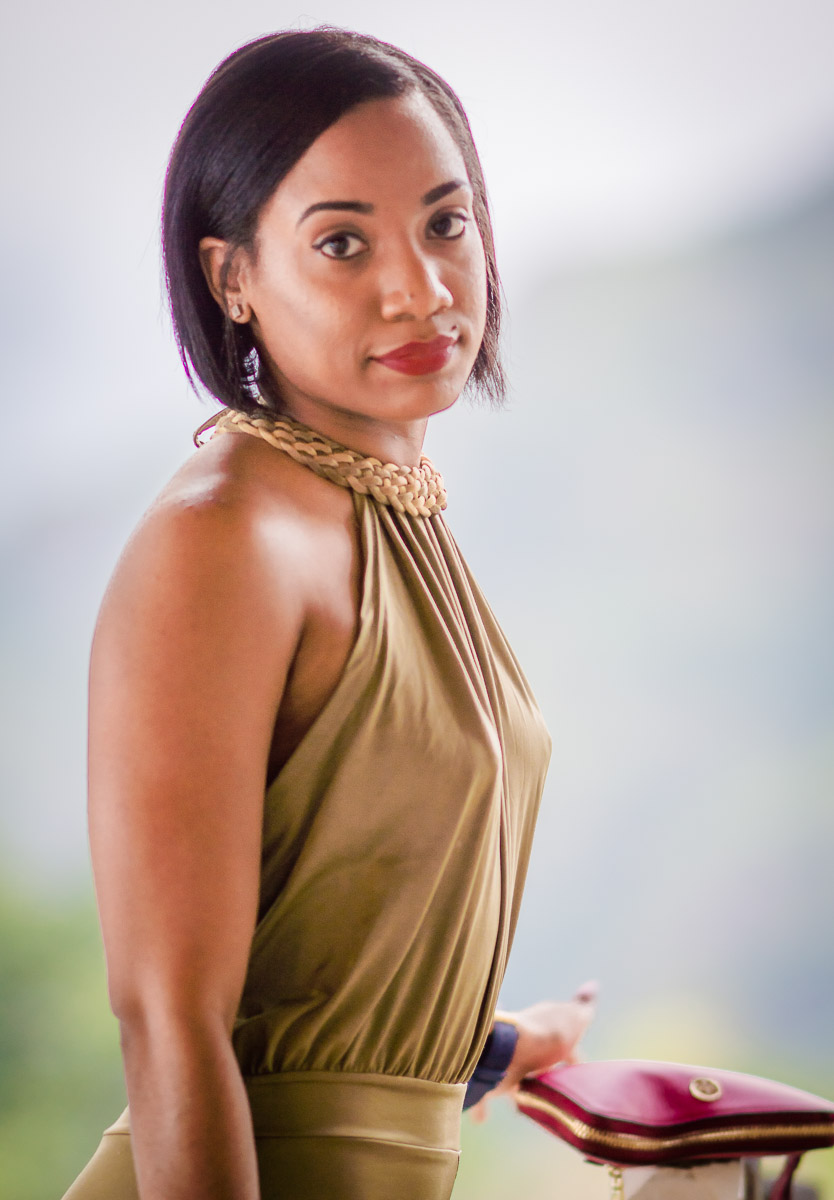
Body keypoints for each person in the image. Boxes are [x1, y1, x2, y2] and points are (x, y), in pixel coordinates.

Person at [61, 27, 595, 1200]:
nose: (422, 289)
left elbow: (321, 972)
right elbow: (169, 1017)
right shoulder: (223, 538)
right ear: (231, 278)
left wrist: (491, 1047)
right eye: (343, 242)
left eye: (446, 224)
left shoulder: (387, 509)